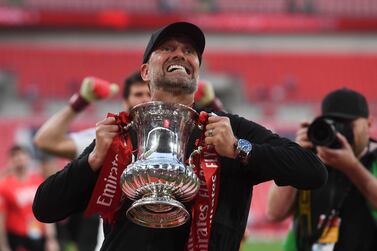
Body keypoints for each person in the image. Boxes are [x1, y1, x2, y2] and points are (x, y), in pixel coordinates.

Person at [32, 21, 327, 251]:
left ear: (197, 71)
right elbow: (45, 207)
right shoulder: (121, 134)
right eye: (168, 47)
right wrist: (93, 160)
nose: (180, 55)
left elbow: (313, 172)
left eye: (189, 52)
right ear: (146, 71)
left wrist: (240, 149)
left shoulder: (228, 129)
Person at [33, 72, 150, 251]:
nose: (145, 100)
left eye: (149, 94)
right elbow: (44, 140)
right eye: (138, 94)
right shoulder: (106, 138)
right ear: (125, 103)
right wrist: (81, 101)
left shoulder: (177, 140)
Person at [267, 88, 377, 251]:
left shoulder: (373, 157)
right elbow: (275, 213)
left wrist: (352, 167)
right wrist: (296, 157)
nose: (341, 131)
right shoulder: (311, 157)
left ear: (369, 123)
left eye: (349, 125)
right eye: (334, 124)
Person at [0, 145, 59, 251]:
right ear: (11, 160)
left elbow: (46, 210)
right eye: (15, 156)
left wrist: (51, 238)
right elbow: (1, 217)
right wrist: (3, 245)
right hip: (17, 237)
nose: (19, 158)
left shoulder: (38, 181)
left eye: (22, 154)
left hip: (38, 236)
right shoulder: (4, 186)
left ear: (28, 158)